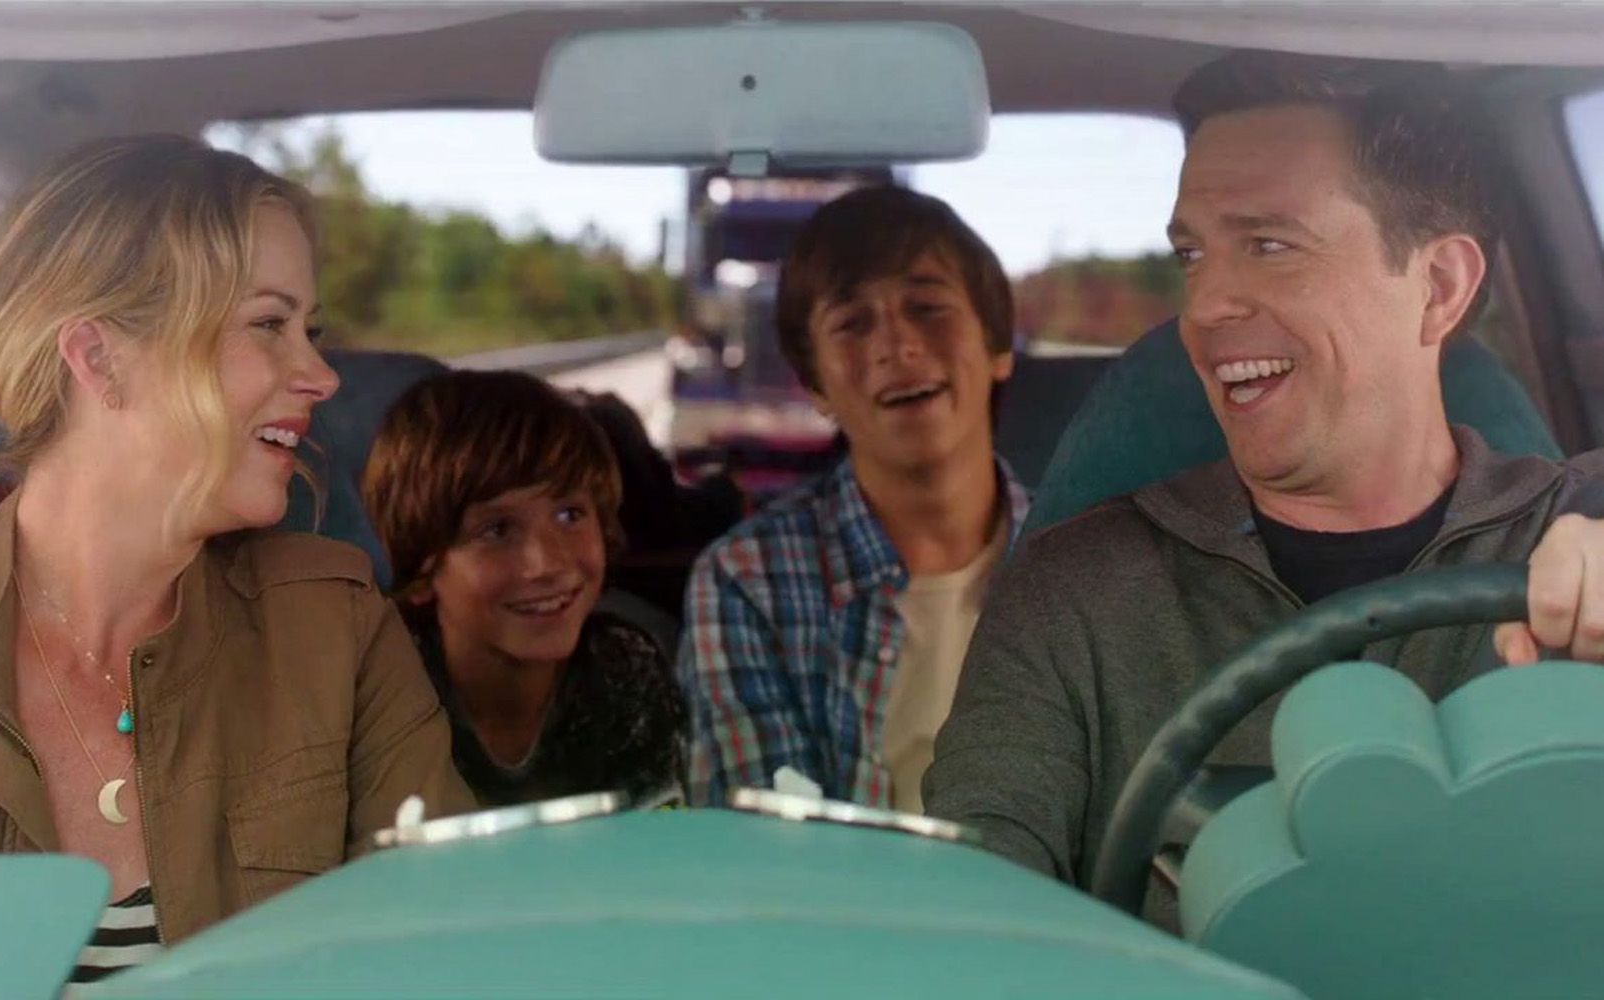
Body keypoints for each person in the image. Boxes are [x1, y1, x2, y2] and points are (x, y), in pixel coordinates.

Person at [925, 50, 1604, 926]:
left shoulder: (1582, 530)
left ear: (1438, 288)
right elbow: (966, 918)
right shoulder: (1074, 594)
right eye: (1192, 255)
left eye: (1270, 245)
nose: (1204, 306)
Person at [0, 135, 474, 980]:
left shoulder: (336, 625)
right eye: (268, 324)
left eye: (309, 330)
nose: (321, 376)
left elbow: (447, 956)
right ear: (100, 358)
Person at [678, 186, 1031, 811]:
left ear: (997, 345)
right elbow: (770, 845)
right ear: (816, 386)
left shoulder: (1091, 563)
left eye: (927, 307)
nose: (897, 346)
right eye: (852, 324)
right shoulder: (746, 582)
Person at [360, 369, 687, 809]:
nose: (546, 564)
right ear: (421, 570)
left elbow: (655, 841)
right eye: (496, 530)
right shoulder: (375, 694)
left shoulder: (625, 670)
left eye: (570, 515)